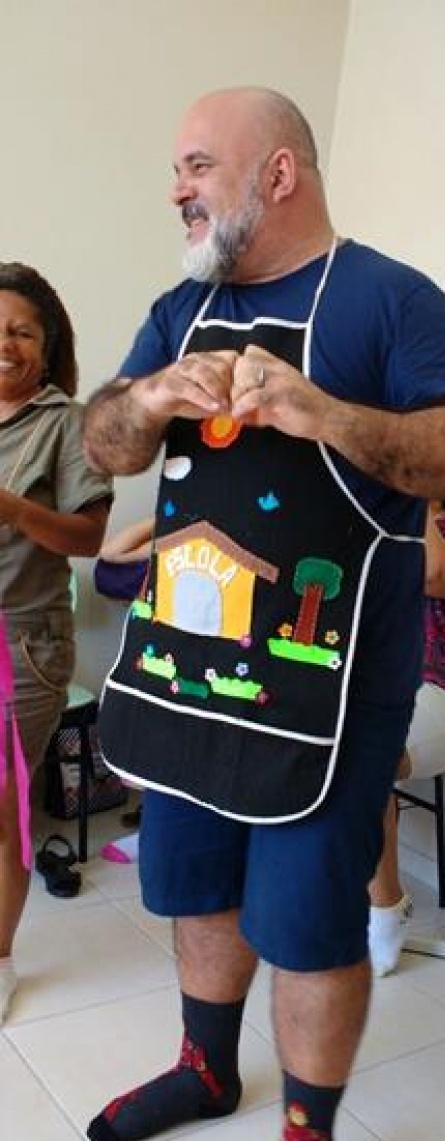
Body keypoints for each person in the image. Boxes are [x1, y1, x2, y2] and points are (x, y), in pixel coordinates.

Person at [82, 86, 445, 1141]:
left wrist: (330, 416)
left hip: (327, 696)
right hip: (185, 673)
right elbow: (104, 444)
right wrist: (149, 394)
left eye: (197, 165)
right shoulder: (180, 310)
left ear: (277, 174)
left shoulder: (388, 299)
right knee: (194, 886)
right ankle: (206, 1066)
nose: (176, 188)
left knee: (310, 921)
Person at [0, 262, 112, 1024]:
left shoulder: (66, 423)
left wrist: (10, 507)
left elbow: (91, 535)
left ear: (48, 347)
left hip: (21, 643)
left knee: (2, 810)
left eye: (22, 331)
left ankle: (0, 960)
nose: (6, 344)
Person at [368, 499, 445, 976]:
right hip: (374, 690)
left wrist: (417, 502)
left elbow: (435, 576)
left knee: (364, 762)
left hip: (442, 695)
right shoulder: (382, 526)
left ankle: (387, 907)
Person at [92, 516, 154, 862]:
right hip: (148, 669)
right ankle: (151, 830)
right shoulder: (169, 547)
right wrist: (161, 520)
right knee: (142, 745)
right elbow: (110, 555)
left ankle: (152, 835)